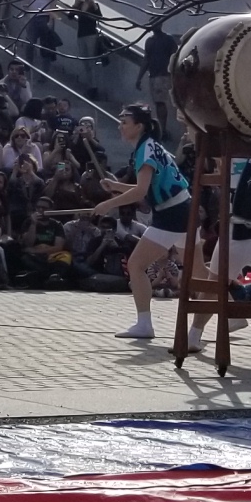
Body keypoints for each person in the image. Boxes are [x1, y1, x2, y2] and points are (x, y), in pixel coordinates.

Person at [84, 103, 191, 341]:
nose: (120, 126)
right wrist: (117, 187)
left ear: (139, 126)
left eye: (125, 122)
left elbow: (141, 192)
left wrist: (108, 204)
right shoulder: (150, 146)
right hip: (182, 207)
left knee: (136, 265)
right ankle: (232, 311)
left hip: (171, 213)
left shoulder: (145, 149)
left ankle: (144, 324)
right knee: (196, 269)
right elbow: (147, 186)